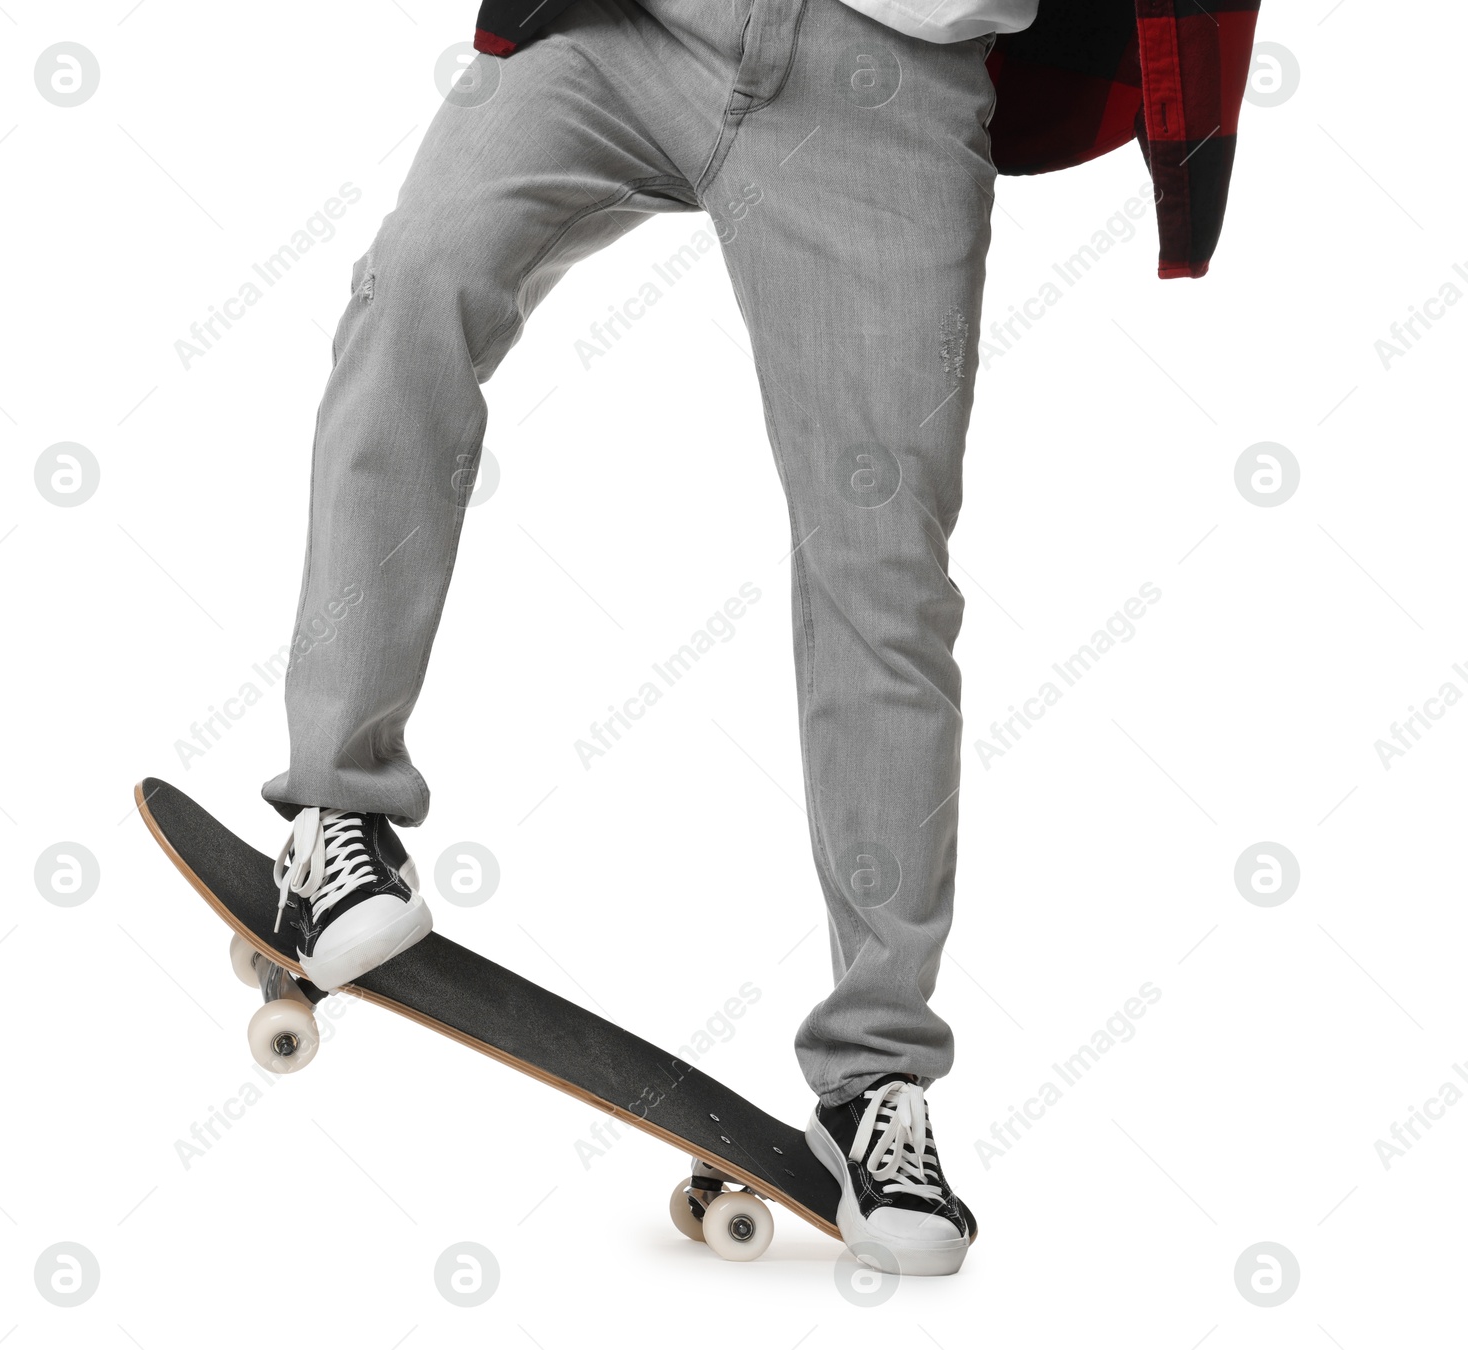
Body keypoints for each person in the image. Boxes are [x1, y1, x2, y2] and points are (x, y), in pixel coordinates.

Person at [258, 0, 1258, 1275]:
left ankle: (874, 1084)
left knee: (881, 568)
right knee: (412, 289)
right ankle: (333, 818)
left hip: (892, 83)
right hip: (636, 23)